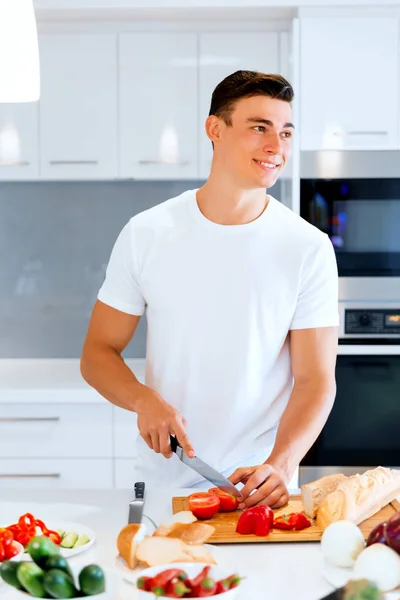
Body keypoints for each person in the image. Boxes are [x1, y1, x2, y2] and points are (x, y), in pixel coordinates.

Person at [81, 70, 339, 509]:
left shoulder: (306, 247)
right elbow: (97, 353)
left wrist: (281, 463)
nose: (277, 147)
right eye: (260, 128)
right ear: (215, 129)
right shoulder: (148, 232)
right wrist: (143, 399)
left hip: (259, 488)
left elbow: (315, 381)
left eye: (286, 132)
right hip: (165, 483)